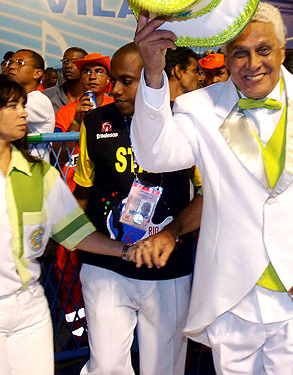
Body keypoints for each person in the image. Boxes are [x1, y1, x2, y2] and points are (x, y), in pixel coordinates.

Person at [130, 2, 293, 374]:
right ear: (227, 58)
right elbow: (155, 156)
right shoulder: (198, 107)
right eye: (240, 53)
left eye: (263, 50)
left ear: (282, 51)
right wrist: (152, 71)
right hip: (233, 300)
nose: (252, 63)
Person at [0, 75, 144, 375]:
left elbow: (75, 232)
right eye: (12, 106)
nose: (24, 113)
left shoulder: (41, 174)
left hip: (31, 309)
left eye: (23, 105)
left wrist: (126, 251)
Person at [73, 43, 198, 375]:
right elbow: (83, 192)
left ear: (153, 77)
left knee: (164, 367)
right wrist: (77, 244)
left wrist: (172, 233)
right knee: (106, 366)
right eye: (114, 79)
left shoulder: (185, 122)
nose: (115, 89)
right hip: (106, 266)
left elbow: (206, 195)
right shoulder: (95, 122)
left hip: (168, 268)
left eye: (126, 81)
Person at [44, 47, 88, 114]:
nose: (68, 65)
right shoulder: (48, 95)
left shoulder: (94, 97)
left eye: (74, 61)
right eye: (65, 61)